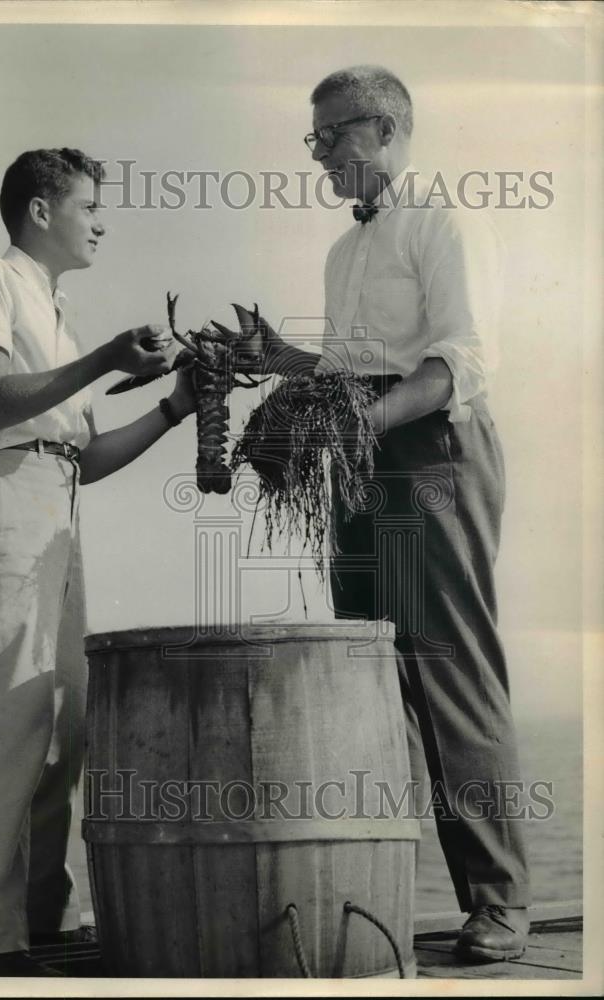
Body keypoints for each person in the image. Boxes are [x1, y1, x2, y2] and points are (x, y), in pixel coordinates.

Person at [246, 66, 531, 963]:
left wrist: (364, 424)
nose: (321, 154)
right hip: (362, 458)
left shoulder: (445, 218)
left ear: (383, 129)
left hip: (433, 452)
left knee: (450, 666)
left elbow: (463, 358)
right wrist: (277, 356)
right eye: (316, 139)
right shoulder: (343, 250)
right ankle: (385, 893)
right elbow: (347, 371)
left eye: (329, 135)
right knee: (375, 676)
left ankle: (500, 903)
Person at [0, 147, 195, 977]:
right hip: (3, 491)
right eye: (89, 205)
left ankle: (41, 918)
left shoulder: (59, 310)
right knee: (11, 715)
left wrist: (175, 406)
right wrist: (103, 361)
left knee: (65, 724)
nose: (101, 221)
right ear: (41, 211)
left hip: (56, 498)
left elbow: (83, 455)